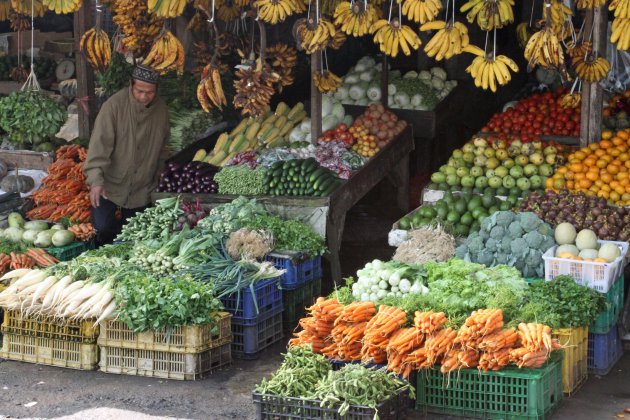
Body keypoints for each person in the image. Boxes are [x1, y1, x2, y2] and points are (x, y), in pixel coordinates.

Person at [84, 65, 170, 245]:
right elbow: (99, 146)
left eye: (150, 92)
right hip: (112, 184)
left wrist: (160, 177)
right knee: (103, 228)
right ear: (131, 84)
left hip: (142, 186)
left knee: (134, 234)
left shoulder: (161, 110)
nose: (144, 96)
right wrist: (96, 181)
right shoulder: (114, 106)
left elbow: (163, 147)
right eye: (139, 91)